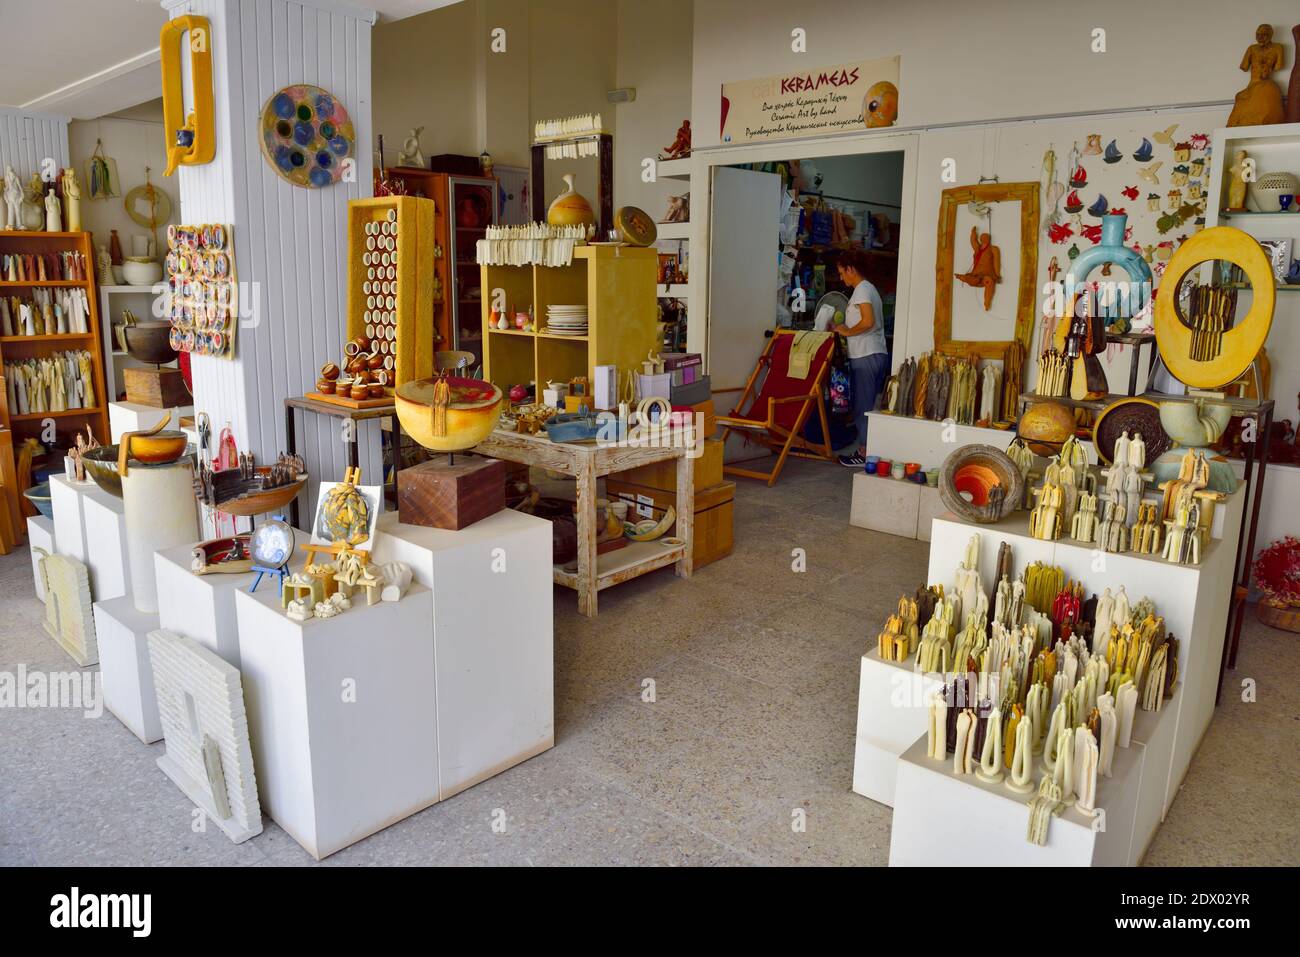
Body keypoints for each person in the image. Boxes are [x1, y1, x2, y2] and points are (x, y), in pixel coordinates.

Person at [829, 248, 888, 467]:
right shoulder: (867, 289)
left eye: (842, 272)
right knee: (869, 404)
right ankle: (868, 449)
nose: (841, 277)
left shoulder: (862, 289)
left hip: (866, 355)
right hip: (871, 353)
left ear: (851, 269)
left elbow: (867, 321)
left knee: (863, 406)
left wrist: (845, 331)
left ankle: (864, 453)